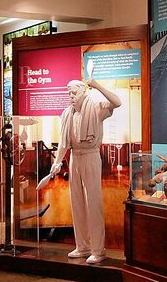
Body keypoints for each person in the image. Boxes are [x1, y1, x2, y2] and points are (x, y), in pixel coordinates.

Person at [46, 78, 121, 264]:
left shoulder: (96, 108)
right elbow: (64, 142)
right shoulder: (67, 114)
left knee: (93, 203)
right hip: (74, 157)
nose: (70, 96)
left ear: (83, 92)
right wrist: (57, 162)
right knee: (76, 202)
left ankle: (98, 249)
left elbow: (117, 102)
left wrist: (96, 85)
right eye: (69, 93)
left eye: (74, 93)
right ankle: (82, 245)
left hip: (90, 155)